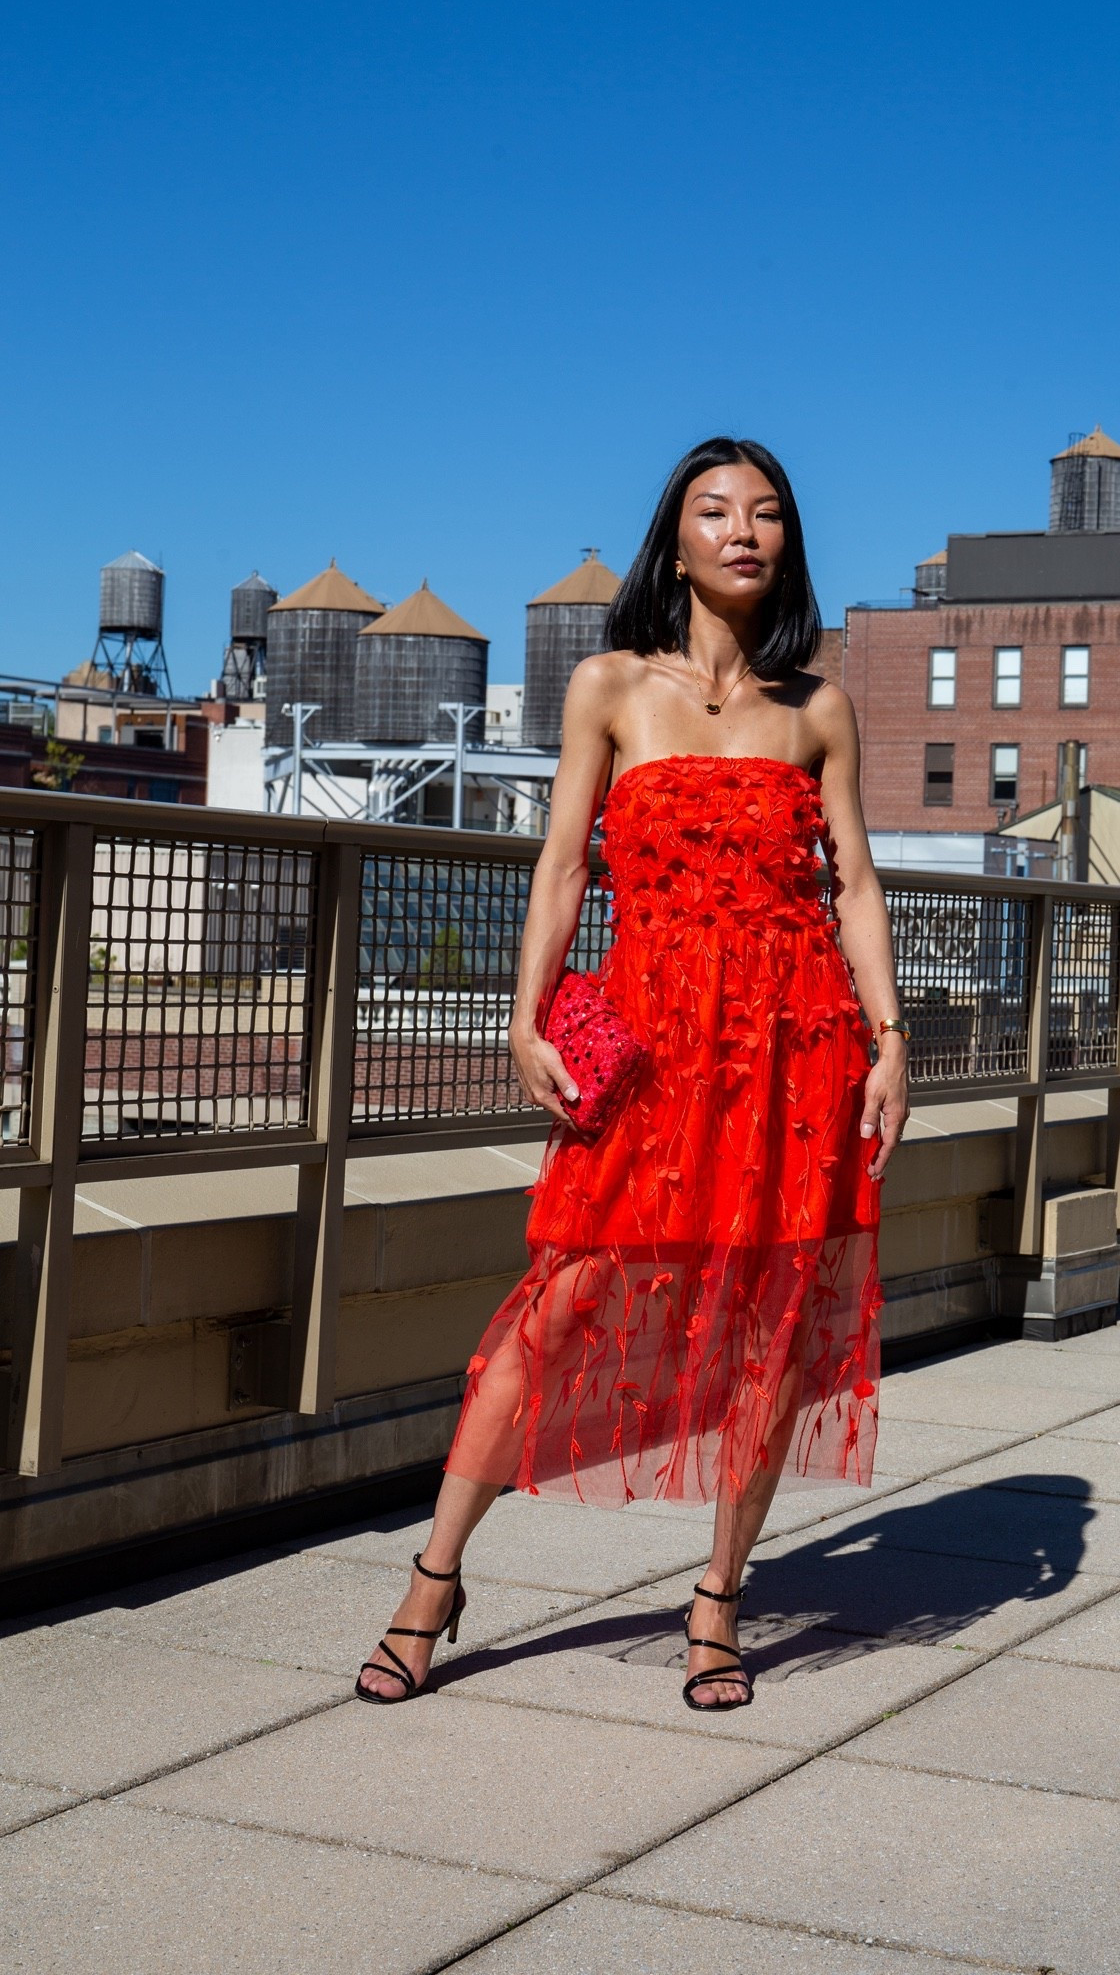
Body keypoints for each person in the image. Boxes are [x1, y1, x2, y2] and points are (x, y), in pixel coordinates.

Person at [357, 437, 909, 1711]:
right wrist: (524, 1013)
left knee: (776, 1320)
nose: (743, 531)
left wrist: (888, 1038)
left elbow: (859, 885)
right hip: (656, 1044)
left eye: (767, 514)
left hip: (797, 1045)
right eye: (715, 511)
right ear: (675, 541)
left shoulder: (817, 707)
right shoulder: (608, 685)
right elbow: (561, 867)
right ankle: (435, 1575)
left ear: (788, 546)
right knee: (559, 1300)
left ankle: (718, 1600)